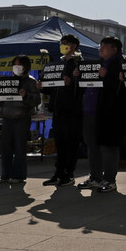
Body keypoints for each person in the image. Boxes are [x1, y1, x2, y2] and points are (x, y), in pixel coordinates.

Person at [78, 37, 126, 193]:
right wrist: (77, 75)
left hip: (109, 113)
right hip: (90, 111)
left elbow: (124, 89)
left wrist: (109, 76)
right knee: (92, 146)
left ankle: (110, 179)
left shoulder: (122, 64)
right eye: (100, 46)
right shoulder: (95, 64)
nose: (100, 49)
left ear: (114, 49)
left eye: (104, 46)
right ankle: (95, 177)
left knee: (108, 146)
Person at [43, 34, 83, 187]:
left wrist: (72, 82)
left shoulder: (78, 63)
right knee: (59, 144)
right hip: (58, 110)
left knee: (71, 144)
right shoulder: (57, 64)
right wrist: (43, 87)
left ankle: (69, 173)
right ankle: (58, 173)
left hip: (72, 111)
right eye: (61, 43)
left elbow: (83, 88)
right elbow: (51, 89)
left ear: (73, 46)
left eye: (65, 43)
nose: (62, 45)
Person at [0, 55, 40, 185]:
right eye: (14, 65)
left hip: (22, 117)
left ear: (26, 67)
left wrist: (25, 95)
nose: (16, 68)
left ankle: (19, 175)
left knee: (19, 147)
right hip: (7, 117)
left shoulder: (30, 81)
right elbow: (0, 100)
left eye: (19, 65)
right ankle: (5, 174)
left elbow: (37, 100)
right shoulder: (7, 81)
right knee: (5, 148)